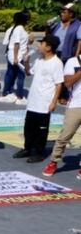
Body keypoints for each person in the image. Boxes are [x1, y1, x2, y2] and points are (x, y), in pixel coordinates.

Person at [14, 36, 64, 163]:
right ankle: (27, 148)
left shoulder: (56, 63)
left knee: (41, 129)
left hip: (44, 102)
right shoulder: (39, 60)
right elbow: (29, 72)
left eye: (42, 44)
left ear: (48, 47)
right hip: (33, 101)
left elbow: (59, 84)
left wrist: (54, 101)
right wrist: (26, 61)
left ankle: (39, 152)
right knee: (29, 127)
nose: (39, 46)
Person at [43, 40, 81, 177]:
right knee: (65, 135)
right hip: (76, 105)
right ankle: (54, 161)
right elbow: (67, 82)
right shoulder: (73, 62)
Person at [1, 11, 30, 104]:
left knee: (10, 73)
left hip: (13, 54)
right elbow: (16, 43)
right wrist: (15, 57)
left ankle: (6, 92)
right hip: (17, 55)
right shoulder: (19, 29)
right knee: (21, 76)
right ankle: (20, 96)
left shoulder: (14, 28)